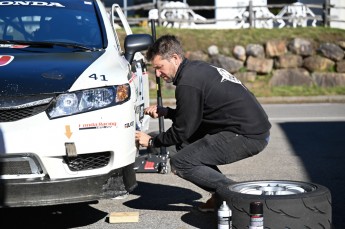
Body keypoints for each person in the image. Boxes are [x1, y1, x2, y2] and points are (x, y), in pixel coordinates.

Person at [135, 34, 271, 212]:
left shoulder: (188, 84)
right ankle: (220, 198)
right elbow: (193, 117)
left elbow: (182, 131)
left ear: (175, 58)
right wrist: (167, 112)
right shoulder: (196, 69)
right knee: (184, 147)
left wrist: (152, 141)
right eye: (155, 69)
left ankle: (235, 196)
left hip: (248, 135)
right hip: (243, 128)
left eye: (160, 67)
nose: (158, 74)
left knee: (181, 162)